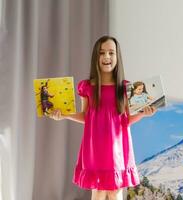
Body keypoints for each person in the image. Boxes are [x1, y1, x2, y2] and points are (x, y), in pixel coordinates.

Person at [49, 36, 156, 200]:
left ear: (117, 57)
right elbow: (86, 116)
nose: (107, 57)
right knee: (98, 191)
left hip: (118, 148)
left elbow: (125, 120)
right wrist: (63, 115)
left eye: (111, 53)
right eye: (102, 53)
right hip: (95, 146)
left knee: (115, 192)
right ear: (96, 58)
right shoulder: (87, 86)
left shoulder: (126, 88)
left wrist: (143, 114)